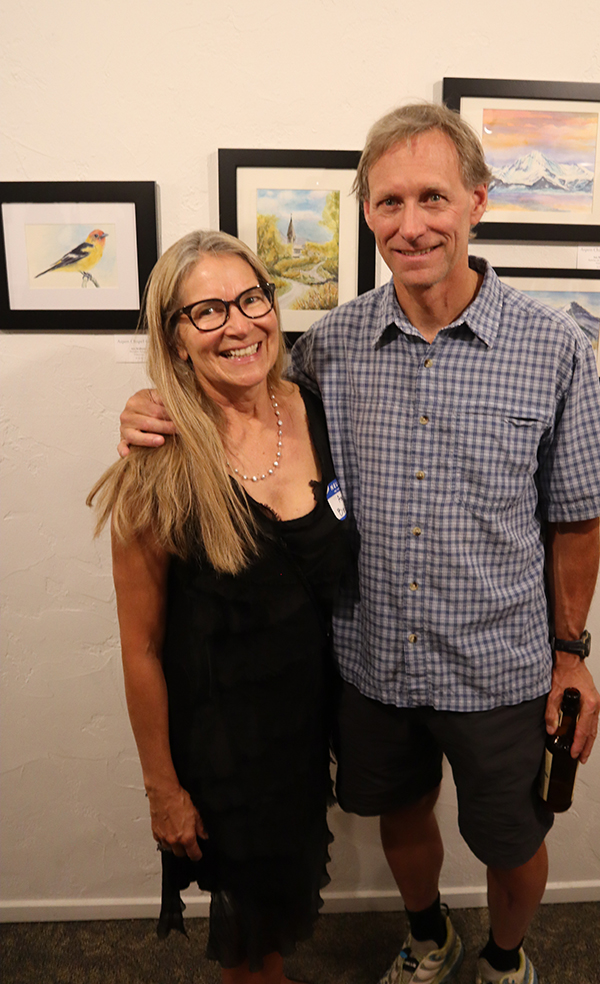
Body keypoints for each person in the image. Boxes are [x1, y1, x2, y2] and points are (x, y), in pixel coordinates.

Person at [119, 103, 600, 984]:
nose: (410, 224)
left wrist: (569, 654)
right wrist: (144, 407)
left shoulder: (552, 349)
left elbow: (575, 518)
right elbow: (236, 405)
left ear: (477, 201)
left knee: (511, 836)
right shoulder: (330, 347)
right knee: (401, 814)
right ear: (368, 214)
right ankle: (427, 936)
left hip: (498, 666)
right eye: (389, 202)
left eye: (432, 197)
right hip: (372, 663)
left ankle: (505, 959)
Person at [89, 230, 351, 984]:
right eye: (206, 311)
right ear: (174, 338)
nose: (238, 324)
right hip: (225, 750)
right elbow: (140, 648)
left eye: (250, 299)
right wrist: (163, 790)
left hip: (306, 731)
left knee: (277, 911)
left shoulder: (316, 410)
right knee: (248, 935)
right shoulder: (157, 463)